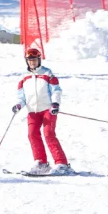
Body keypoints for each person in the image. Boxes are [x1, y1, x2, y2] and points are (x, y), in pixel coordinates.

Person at [12, 46, 71, 175]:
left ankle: (62, 164)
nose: (32, 62)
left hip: (47, 110)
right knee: (32, 134)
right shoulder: (24, 77)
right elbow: (21, 97)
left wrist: (55, 104)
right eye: (29, 60)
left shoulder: (47, 74)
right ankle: (41, 162)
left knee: (48, 134)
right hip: (32, 111)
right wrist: (18, 105)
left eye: (34, 60)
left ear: (39, 60)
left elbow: (56, 90)